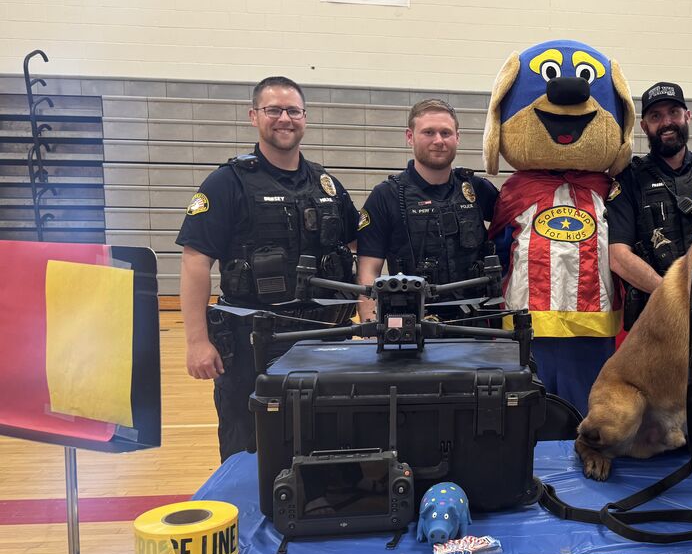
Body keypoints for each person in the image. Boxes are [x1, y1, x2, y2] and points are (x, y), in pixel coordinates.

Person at [176, 76, 359, 461]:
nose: (284, 119)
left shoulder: (326, 186)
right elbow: (195, 261)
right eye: (273, 110)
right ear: (254, 116)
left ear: (305, 118)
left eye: (293, 110)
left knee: (325, 441)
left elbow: (361, 250)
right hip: (251, 343)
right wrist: (196, 341)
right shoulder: (226, 183)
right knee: (248, 448)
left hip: (322, 339)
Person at [354, 99, 499, 323]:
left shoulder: (477, 189)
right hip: (411, 325)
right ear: (410, 136)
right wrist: (370, 326)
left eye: (446, 133)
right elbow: (368, 272)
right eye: (428, 132)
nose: (438, 141)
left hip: (477, 325)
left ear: (457, 137)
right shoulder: (386, 196)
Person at [607, 82, 692, 330]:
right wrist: (674, 295)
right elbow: (618, 256)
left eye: (674, 112)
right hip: (658, 315)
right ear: (644, 126)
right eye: (655, 116)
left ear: (687, 116)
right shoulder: (629, 179)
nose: (666, 122)